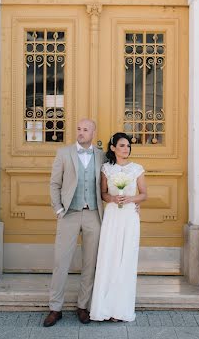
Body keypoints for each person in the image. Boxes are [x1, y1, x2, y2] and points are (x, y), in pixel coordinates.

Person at [43, 118, 105, 327]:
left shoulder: (101, 155)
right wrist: (59, 210)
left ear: (93, 133)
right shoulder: (64, 153)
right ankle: (55, 308)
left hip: (93, 214)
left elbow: (108, 185)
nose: (81, 132)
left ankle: (83, 306)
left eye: (85, 129)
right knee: (61, 262)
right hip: (68, 213)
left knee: (90, 263)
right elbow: (54, 183)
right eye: (78, 128)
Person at [89, 132, 147, 323]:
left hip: (129, 216)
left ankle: (121, 308)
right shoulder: (106, 168)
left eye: (128, 146)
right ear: (113, 148)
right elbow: (103, 193)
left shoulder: (137, 169)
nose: (126, 149)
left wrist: (131, 198)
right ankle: (105, 307)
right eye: (122, 145)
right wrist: (113, 198)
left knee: (126, 257)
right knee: (110, 256)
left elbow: (144, 194)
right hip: (113, 215)